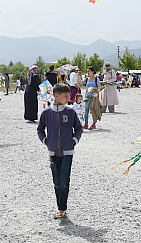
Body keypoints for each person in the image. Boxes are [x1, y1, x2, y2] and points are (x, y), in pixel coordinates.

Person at [37, 83, 83, 219]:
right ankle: (59, 207)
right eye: (65, 96)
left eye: (69, 95)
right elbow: (40, 129)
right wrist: (45, 141)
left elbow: (79, 128)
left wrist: (74, 140)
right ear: (56, 96)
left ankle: (62, 208)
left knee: (64, 181)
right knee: (56, 182)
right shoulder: (46, 113)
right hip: (52, 152)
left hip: (68, 151)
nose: (69, 98)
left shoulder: (70, 112)